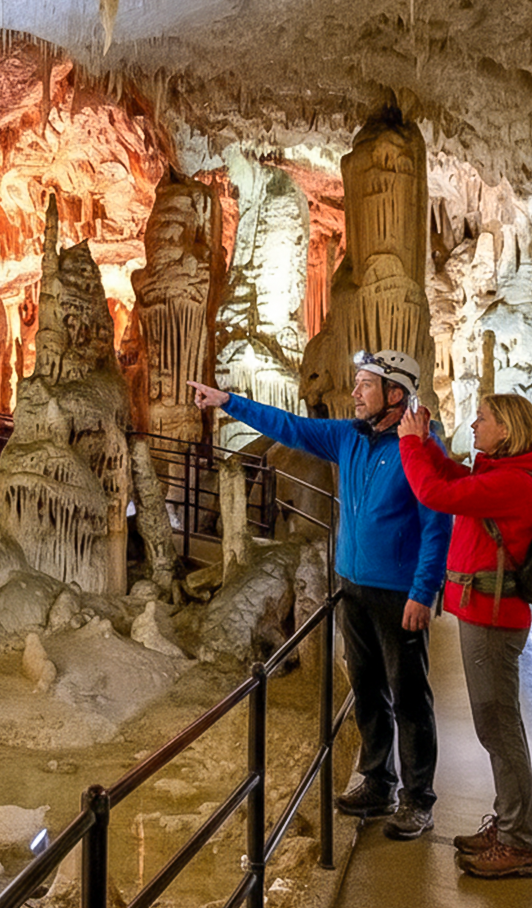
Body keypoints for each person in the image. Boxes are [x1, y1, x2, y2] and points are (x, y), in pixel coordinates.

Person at [188, 350, 452, 841]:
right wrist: (229, 401)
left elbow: (437, 526)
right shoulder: (348, 438)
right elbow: (288, 427)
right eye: (355, 383)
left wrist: (424, 591)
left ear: (395, 395)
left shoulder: (421, 448)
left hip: (399, 594)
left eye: (365, 385)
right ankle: (378, 779)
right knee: (368, 689)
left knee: (410, 696)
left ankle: (418, 800)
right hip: (352, 585)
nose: (354, 393)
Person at [396, 392, 532, 879]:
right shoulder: (498, 474)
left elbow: (435, 495)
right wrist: (428, 445)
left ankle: (518, 843)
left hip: (493, 621)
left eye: (482, 419)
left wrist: (408, 447)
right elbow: (455, 479)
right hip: (484, 615)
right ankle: (507, 825)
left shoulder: (513, 483)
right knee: (497, 728)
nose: (474, 424)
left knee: (500, 731)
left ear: (505, 429)